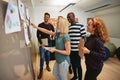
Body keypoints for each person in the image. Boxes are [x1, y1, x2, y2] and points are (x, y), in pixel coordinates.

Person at [67, 12, 86, 80]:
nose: (68, 19)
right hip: (71, 50)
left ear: (74, 17)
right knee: (73, 65)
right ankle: (75, 76)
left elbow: (84, 38)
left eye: (70, 17)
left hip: (78, 51)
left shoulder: (80, 26)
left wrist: (81, 47)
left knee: (78, 65)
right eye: (68, 18)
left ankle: (80, 78)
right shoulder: (68, 28)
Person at [37, 12, 54, 79]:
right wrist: (41, 42)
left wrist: (51, 37)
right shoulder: (40, 25)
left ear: (49, 18)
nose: (46, 18)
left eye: (47, 17)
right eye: (45, 17)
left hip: (49, 43)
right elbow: (38, 35)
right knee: (42, 56)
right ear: (43, 17)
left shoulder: (51, 25)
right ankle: (41, 70)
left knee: (48, 55)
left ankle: (47, 65)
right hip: (42, 43)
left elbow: (53, 32)